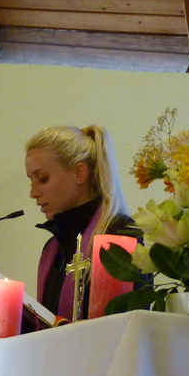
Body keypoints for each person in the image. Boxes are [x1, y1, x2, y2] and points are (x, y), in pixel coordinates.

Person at [26, 124, 132, 321]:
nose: (33, 193)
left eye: (43, 179)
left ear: (79, 173)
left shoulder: (121, 234)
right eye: (31, 181)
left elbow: (126, 324)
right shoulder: (53, 248)